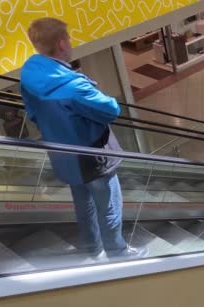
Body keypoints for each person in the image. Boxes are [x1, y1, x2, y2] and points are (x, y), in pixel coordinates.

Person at [20, 18, 146, 259]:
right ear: (61, 43)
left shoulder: (29, 73)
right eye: (68, 39)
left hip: (61, 152)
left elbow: (33, 112)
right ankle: (117, 251)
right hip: (92, 155)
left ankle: (91, 247)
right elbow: (111, 110)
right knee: (108, 204)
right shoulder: (75, 87)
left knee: (82, 202)